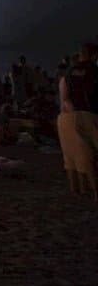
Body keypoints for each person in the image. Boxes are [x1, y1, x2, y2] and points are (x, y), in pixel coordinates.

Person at [57, 42, 98, 199]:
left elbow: (64, 99)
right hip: (89, 114)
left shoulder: (67, 74)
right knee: (90, 157)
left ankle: (79, 190)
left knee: (73, 157)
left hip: (67, 117)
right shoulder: (94, 70)